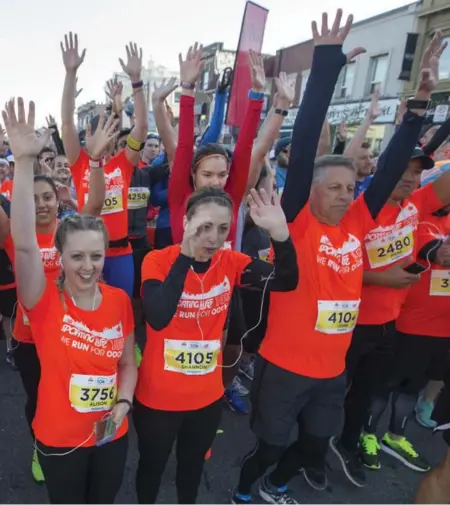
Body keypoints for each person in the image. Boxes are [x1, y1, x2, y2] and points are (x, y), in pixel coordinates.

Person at [232, 9, 434, 504]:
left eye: (350, 187)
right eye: (336, 188)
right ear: (313, 191)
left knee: (314, 444)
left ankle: (278, 486)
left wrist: (418, 109)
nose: (346, 195)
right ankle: (243, 490)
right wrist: (326, 64)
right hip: (284, 367)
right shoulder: (297, 220)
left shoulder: (357, 221)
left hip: (331, 370)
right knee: (272, 442)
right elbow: (303, 150)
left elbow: (386, 171)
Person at [3, 97, 137, 504]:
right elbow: (24, 244)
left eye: (95, 256)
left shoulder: (118, 301)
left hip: (111, 434)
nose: (87, 266)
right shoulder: (43, 301)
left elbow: (128, 364)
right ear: (59, 258)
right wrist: (25, 164)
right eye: (76, 256)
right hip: (59, 438)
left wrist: (125, 403)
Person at [134, 186, 298, 504]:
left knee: (192, 468)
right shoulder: (157, 260)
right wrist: (185, 254)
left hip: (206, 398)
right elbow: (157, 317)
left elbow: (287, 280)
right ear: (186, 222)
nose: (213, 237)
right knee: (151, 467)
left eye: (223, 228)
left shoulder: (230, 262)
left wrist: (280, 234)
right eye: (205, 227)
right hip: (158, 398)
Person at [60, 33, 148, 299]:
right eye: (97, 130)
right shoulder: (79, 161)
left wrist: (136, 81)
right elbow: (66, 124)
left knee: (121, 309)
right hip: (86, 252)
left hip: (120, 253)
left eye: (110, 130)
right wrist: (70, 72)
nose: (104, 136)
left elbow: (142, 127)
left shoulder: (124, 163)